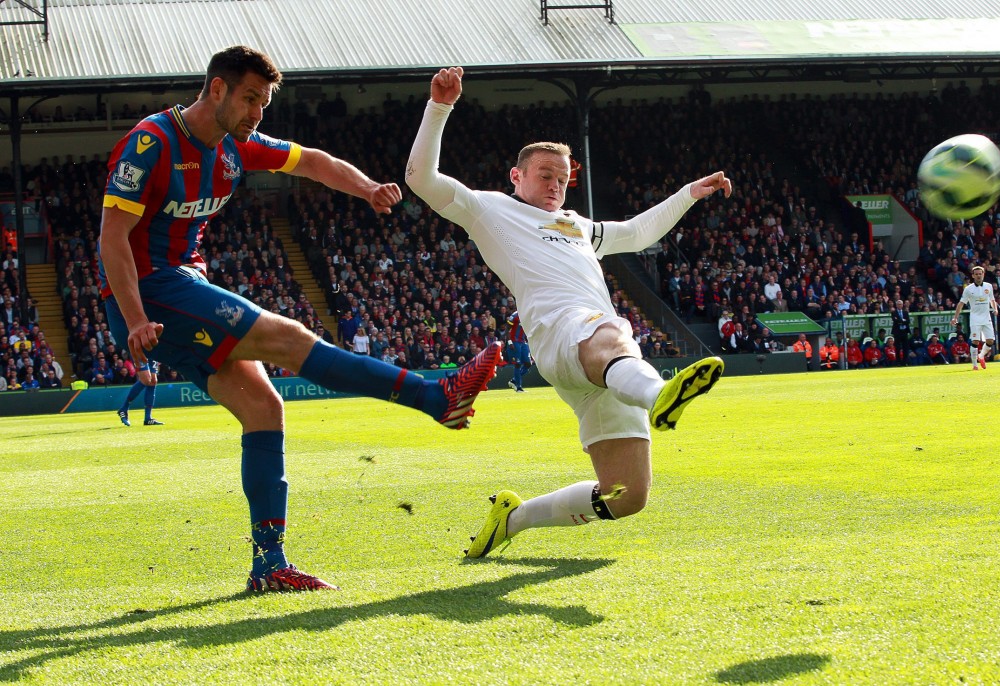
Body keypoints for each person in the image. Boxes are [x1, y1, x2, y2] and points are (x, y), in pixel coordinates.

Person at [98, 47, 502, 593]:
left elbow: (312, 161)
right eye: (249, 99)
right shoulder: (152, 142)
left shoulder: (236, 146)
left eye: (264, 103)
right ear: (216, 89)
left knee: (264, 407)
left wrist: (367, 188)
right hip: (151, 292)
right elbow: (113, 237)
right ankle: (434, 396)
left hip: (181, 287)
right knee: (287, 338)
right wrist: (134, 319)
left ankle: (269, 565)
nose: (257, 113)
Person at [406, 67, 727, 559]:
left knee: (625, 495)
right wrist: (439, 107)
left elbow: (637, 233)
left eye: (563, 178)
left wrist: (688, 194)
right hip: (563, 333)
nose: (556, 185)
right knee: (612, 330)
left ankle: (512, 519)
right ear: (517, 176)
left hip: (600, 362)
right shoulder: (490, 209)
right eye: (545, 175)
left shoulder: (578, 226)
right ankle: (660, 395)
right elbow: (420, 179)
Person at [951, 265, 997, 370]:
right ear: (973, 276)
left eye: (980, 274)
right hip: (975, 318)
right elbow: (961, 303)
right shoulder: (968, 289)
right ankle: (975, 365)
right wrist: (955, 318)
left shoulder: (989, 286)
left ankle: (981, 356)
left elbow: (992, 299)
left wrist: (995, 309)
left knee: (990, 341)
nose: (978, 276)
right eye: (976, 274)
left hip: (986, 317)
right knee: (975, 341)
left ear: (983, 274)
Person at [116, 360, 164, 426]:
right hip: (140, 354)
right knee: (146, 378)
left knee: (153, 381)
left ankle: (148, 418)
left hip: (152, 355)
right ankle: (124, 408)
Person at [506, 310, 531, 392]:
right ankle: (518, 387)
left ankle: (513, 380)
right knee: (518, 364)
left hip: (523, 341)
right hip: (514, 341)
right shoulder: (515, 315)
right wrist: (510, 342)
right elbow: (507, 329)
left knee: (528, 364)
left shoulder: (528, 315)